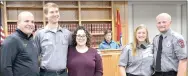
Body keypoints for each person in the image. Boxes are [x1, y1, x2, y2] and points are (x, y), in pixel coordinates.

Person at [34, 2, 72, 76]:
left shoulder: (67, 33)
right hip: (45, 73)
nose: (55, 14)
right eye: (51, 12)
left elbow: (74, 51)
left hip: (63, 73)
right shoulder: (39, 34)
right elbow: (35, 56)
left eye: (57, 11)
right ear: (46, 15)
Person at [0, 11, 39, 76]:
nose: (30, 24)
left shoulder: (31, 40)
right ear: (18, 23)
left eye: (32, 22)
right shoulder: (11, 40)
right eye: (26, 21)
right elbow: (5, 68)